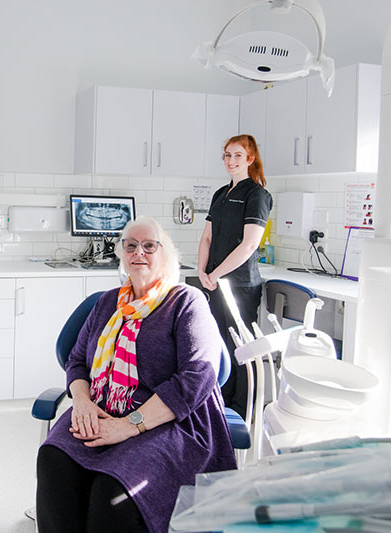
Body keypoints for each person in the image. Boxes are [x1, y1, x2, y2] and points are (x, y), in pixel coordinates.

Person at [36, 216, 237, 533]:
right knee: (54, 459)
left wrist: (129, 426)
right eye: (130, 245)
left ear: (166, 255)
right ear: (122, 254)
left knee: (113, 491)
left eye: (149, 246)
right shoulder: (107, 304)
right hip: (100, 409)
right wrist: (83, 404)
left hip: (168, 421)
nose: (138, 252)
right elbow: (76, 360)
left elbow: (197, 376)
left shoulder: (186, 301)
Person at [197, 134, 272, 418]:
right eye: (227, 155)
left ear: (250, 159)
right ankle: (220, 401)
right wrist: (202, 271)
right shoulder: (220, 194)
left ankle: (243, 408)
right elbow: (207, 237)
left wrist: (215, 272)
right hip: (214, 282)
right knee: (219, 342)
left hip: (240, 284)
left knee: (242, 347)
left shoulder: (257, 195)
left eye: (238, 155)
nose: (231, 160)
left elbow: (249, 244)